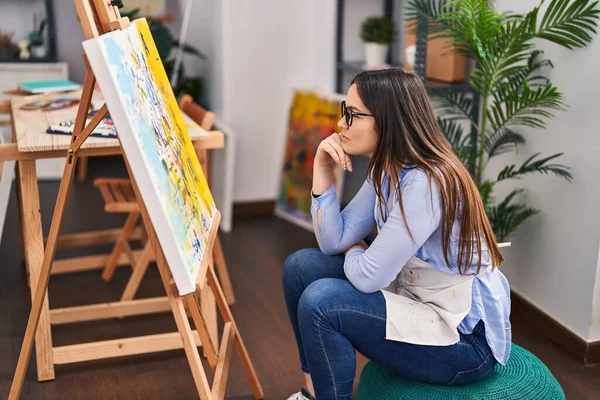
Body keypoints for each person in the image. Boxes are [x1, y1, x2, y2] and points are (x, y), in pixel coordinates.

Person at [282, 68, 511, 400]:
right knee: (301, 267)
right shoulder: (387, 168)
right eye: (344, 112)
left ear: (387, 119)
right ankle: (313, 392)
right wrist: (322, 170)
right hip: (415, 296)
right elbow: (333, 241)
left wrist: (355, 251)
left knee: (322, 302)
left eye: (353, 115)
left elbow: (367, 277)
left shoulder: (426, 182)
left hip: (464, 340)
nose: (341, 124)